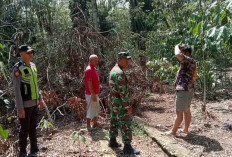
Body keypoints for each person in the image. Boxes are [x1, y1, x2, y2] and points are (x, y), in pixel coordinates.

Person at [12, 45, 47, 157]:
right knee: (24, 128)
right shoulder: (18, 68)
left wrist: (40, 99)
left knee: (33, 126)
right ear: (22, 54)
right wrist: (20, 107)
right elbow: (17, 89)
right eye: (28, 52)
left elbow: (35, 84)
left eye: (32, 52)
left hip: (34, 102)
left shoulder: (33, 66)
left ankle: (34, 147)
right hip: (25, 103)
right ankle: (22, 151)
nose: (31, 54)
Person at [108, 52, 140, 155]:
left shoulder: (114, 69)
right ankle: (127, 147)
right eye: (126, 60)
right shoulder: (119, 73)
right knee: (125, 122)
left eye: (128, 60)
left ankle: (112, 141)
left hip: (113, 101)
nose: (128, 62)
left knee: (114, 120)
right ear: (120, 60)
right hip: (119, 103)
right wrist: (128, 106)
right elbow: (123, 92)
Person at [169, 43, 197, 135]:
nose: (180, 53)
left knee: (179, 113)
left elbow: (177, 55)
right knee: (186, 111)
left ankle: (173, 132)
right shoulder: (190, 62)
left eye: (182, 51)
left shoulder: (189, 60)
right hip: (187, 90)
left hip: (184, 90)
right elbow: (194, 76)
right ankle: (185, 130)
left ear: (186, 53)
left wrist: (176, 46)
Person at [84, 54, 100, 130]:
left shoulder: (93, 68)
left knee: (96, 108)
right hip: (91, 94)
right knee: (90, 108)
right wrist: (93, 94)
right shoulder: (89, 69)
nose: (97, 62)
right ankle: (88, 126)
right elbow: (89, 83)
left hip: (95, 93)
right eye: (95, 60)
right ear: (91, 61)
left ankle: (95, 123)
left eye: (97, 60)